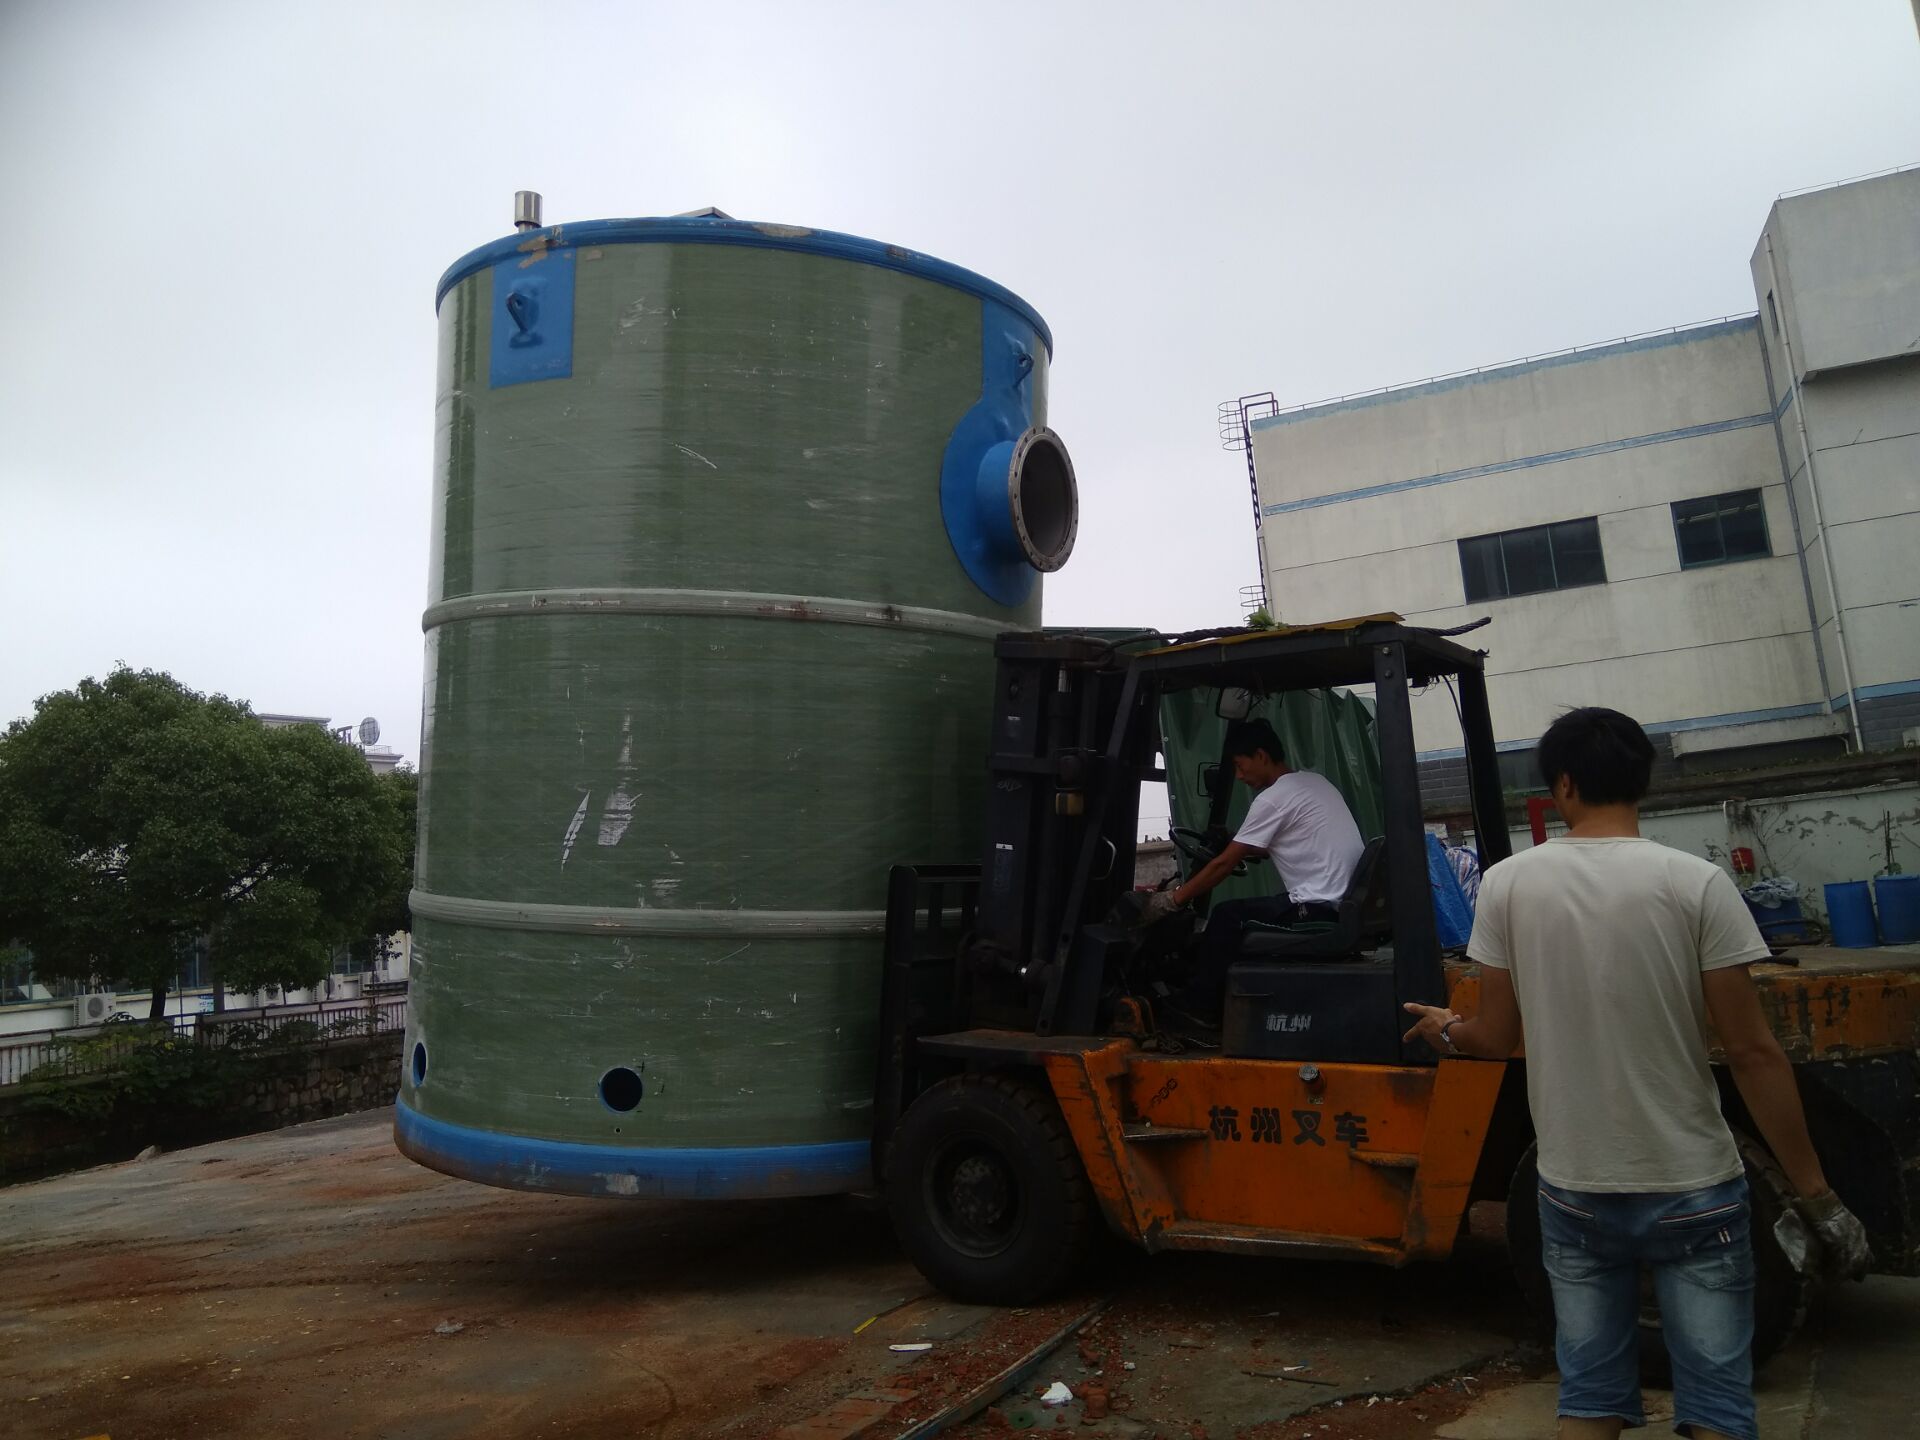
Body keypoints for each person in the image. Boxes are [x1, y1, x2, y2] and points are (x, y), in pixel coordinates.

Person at [1401, 707, 1869, 1440]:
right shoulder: (1697, 883)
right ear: (1642, 783)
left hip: (1574, 1186)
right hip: (1695, 1185)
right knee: (1718, 1407)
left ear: (1563, 785)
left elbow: (1495, 1035)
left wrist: (1446, 1030)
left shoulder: (1508, 885)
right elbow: (1753, 1053)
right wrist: (1818, 1197)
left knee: (1589, 1399)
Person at [1144, 718, 1365, 1020]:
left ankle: (1200, 1007)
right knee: (1238, 916)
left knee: (1226, 916)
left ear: (1261, 756)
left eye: (1240, 765)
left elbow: (1223, 864)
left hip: (1317, 908)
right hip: (1338, 902)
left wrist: (1172, 900)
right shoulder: (1314, 782)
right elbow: (1281, 842)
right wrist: (1234, 840)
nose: (1238, 775)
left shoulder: (1273, 799)